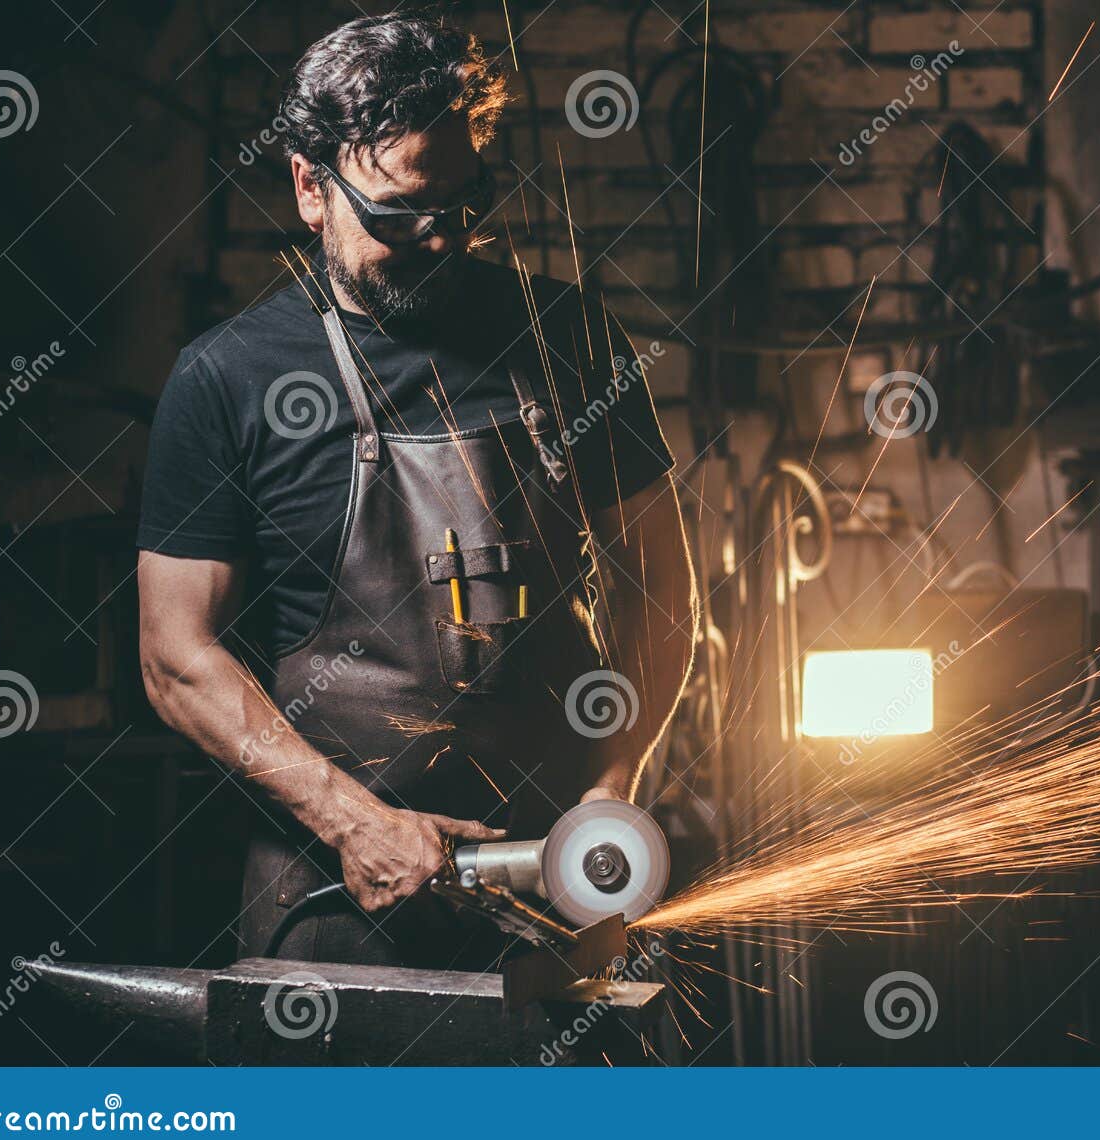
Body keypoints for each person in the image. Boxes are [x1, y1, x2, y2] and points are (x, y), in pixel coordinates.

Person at [135, 14, 696, 967]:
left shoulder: (568, 338)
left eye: (462, 205)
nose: (440, 241)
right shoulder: (228, 378)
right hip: (333, 912)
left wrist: (613, 779)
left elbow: (663, 587)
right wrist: (354, 821)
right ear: (313, 187)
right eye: (401, 217)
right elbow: (177, 657)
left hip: (557, 898)